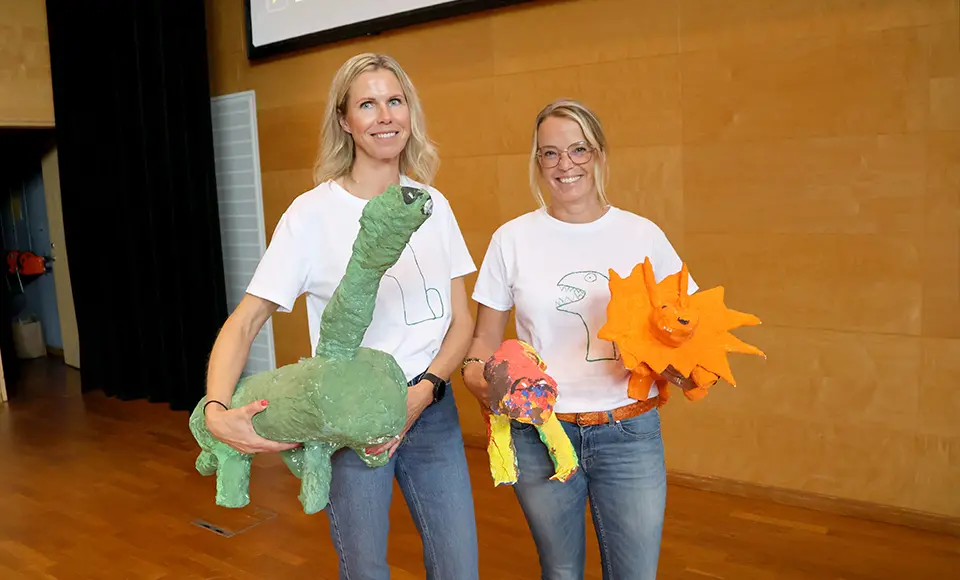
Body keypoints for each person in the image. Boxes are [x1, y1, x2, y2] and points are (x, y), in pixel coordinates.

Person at [202, 53, 479, 580]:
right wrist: (216, 410)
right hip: (347, 420)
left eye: (394, 101)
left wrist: (422, 392)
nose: (384, 116)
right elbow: (245, 320)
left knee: (459, 568)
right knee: (365, 569)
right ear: (345, 121)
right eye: (367, 104)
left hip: (430, 411)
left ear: (409, 112)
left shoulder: (433, 205)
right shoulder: (310, 215)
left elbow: (460, 320)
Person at [461, 98, 702, 580]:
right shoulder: (512, 239)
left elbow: (689, 328)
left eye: (577, 150)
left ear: (598, 154)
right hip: (541, 435)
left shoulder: (642, 235)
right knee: (561, 571)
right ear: (537, 163)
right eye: (549, 154)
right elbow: (482, 343)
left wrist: (681, 362)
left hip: (629, 432)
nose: (564, 164)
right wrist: (486, 387)